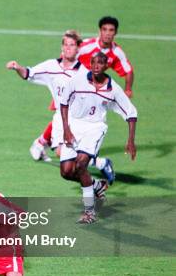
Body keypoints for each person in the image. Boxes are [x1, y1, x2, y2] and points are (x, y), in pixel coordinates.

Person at [6, 30, 115, 185]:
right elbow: (29, 73)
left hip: (78, 120)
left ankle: (99, 171)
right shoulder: (51, 66)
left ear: (78, 49)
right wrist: (17, 67)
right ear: (61, 48)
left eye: (71, 45)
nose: (68, 48)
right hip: (60, 118)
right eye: (65, 44)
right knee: (62, 155)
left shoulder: (84, 74)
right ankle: (99, 173)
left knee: (72, 163)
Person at [60, 52, 137, 223]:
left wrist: (131, 140)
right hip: (74, 126)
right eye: (93, 62)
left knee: (81, 165)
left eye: (100, 63)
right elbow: (63, 103)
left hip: (95, 128)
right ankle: (97, 185)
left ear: (106, 65)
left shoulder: (113, 89)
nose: (96, 66)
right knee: (66, 172)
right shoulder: (77, 80)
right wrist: (66, 129)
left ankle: (89, 212)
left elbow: (131, 114)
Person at [78, 16, 134, 97]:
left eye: (111, 30)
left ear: (115, 32)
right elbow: (67, 57)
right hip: (75, 82)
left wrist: (128, 90)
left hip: (91, 87)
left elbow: (128, 71)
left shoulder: (116, 52)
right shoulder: (86, 46)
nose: (108, 33)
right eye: (104, 29)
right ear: (100, 31)